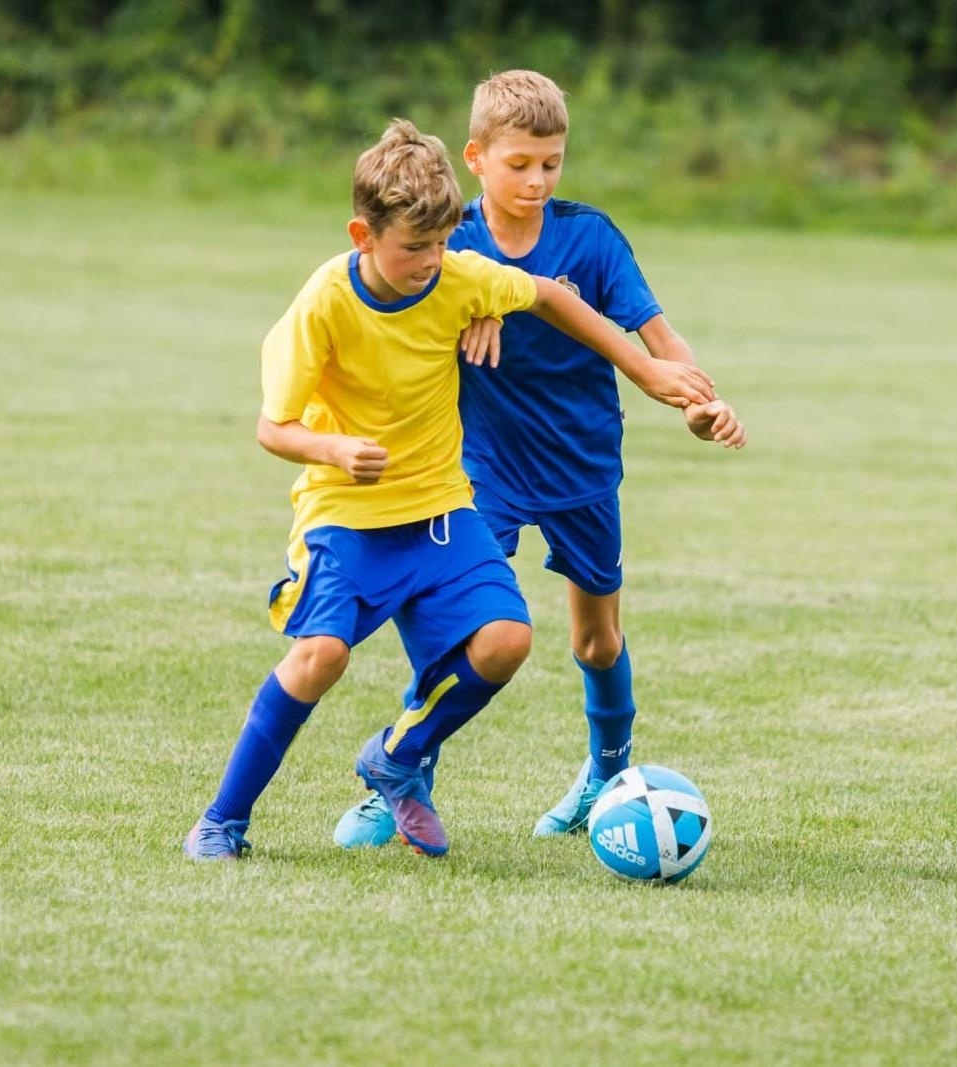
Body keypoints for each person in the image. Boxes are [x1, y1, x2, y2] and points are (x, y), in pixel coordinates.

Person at [183, 118, 720, 861]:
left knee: (506, 639)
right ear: (362, 234)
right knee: (322, 657)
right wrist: (333, 447)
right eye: (414, 249)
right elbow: (273, 429)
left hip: (439, 506)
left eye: (440, 246)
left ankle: (397, 757)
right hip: (346, 514)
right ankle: (222, 819)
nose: (431, 263)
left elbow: (551, 297)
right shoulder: (323, 303)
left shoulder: (456, 274)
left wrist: (648, 371)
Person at [334, 70, 746, 848]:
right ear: (477, 158)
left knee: (596, 638)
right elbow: (401, 308)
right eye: (519, 163)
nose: (537, 179)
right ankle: (404, 769)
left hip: (583, 462)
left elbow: (659, 335)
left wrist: (698, 398)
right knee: (461, 623)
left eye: (551, 162)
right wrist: (465, 318)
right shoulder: (447, 242)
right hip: (480, 463)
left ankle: (606, 773)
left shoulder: (590, 237)